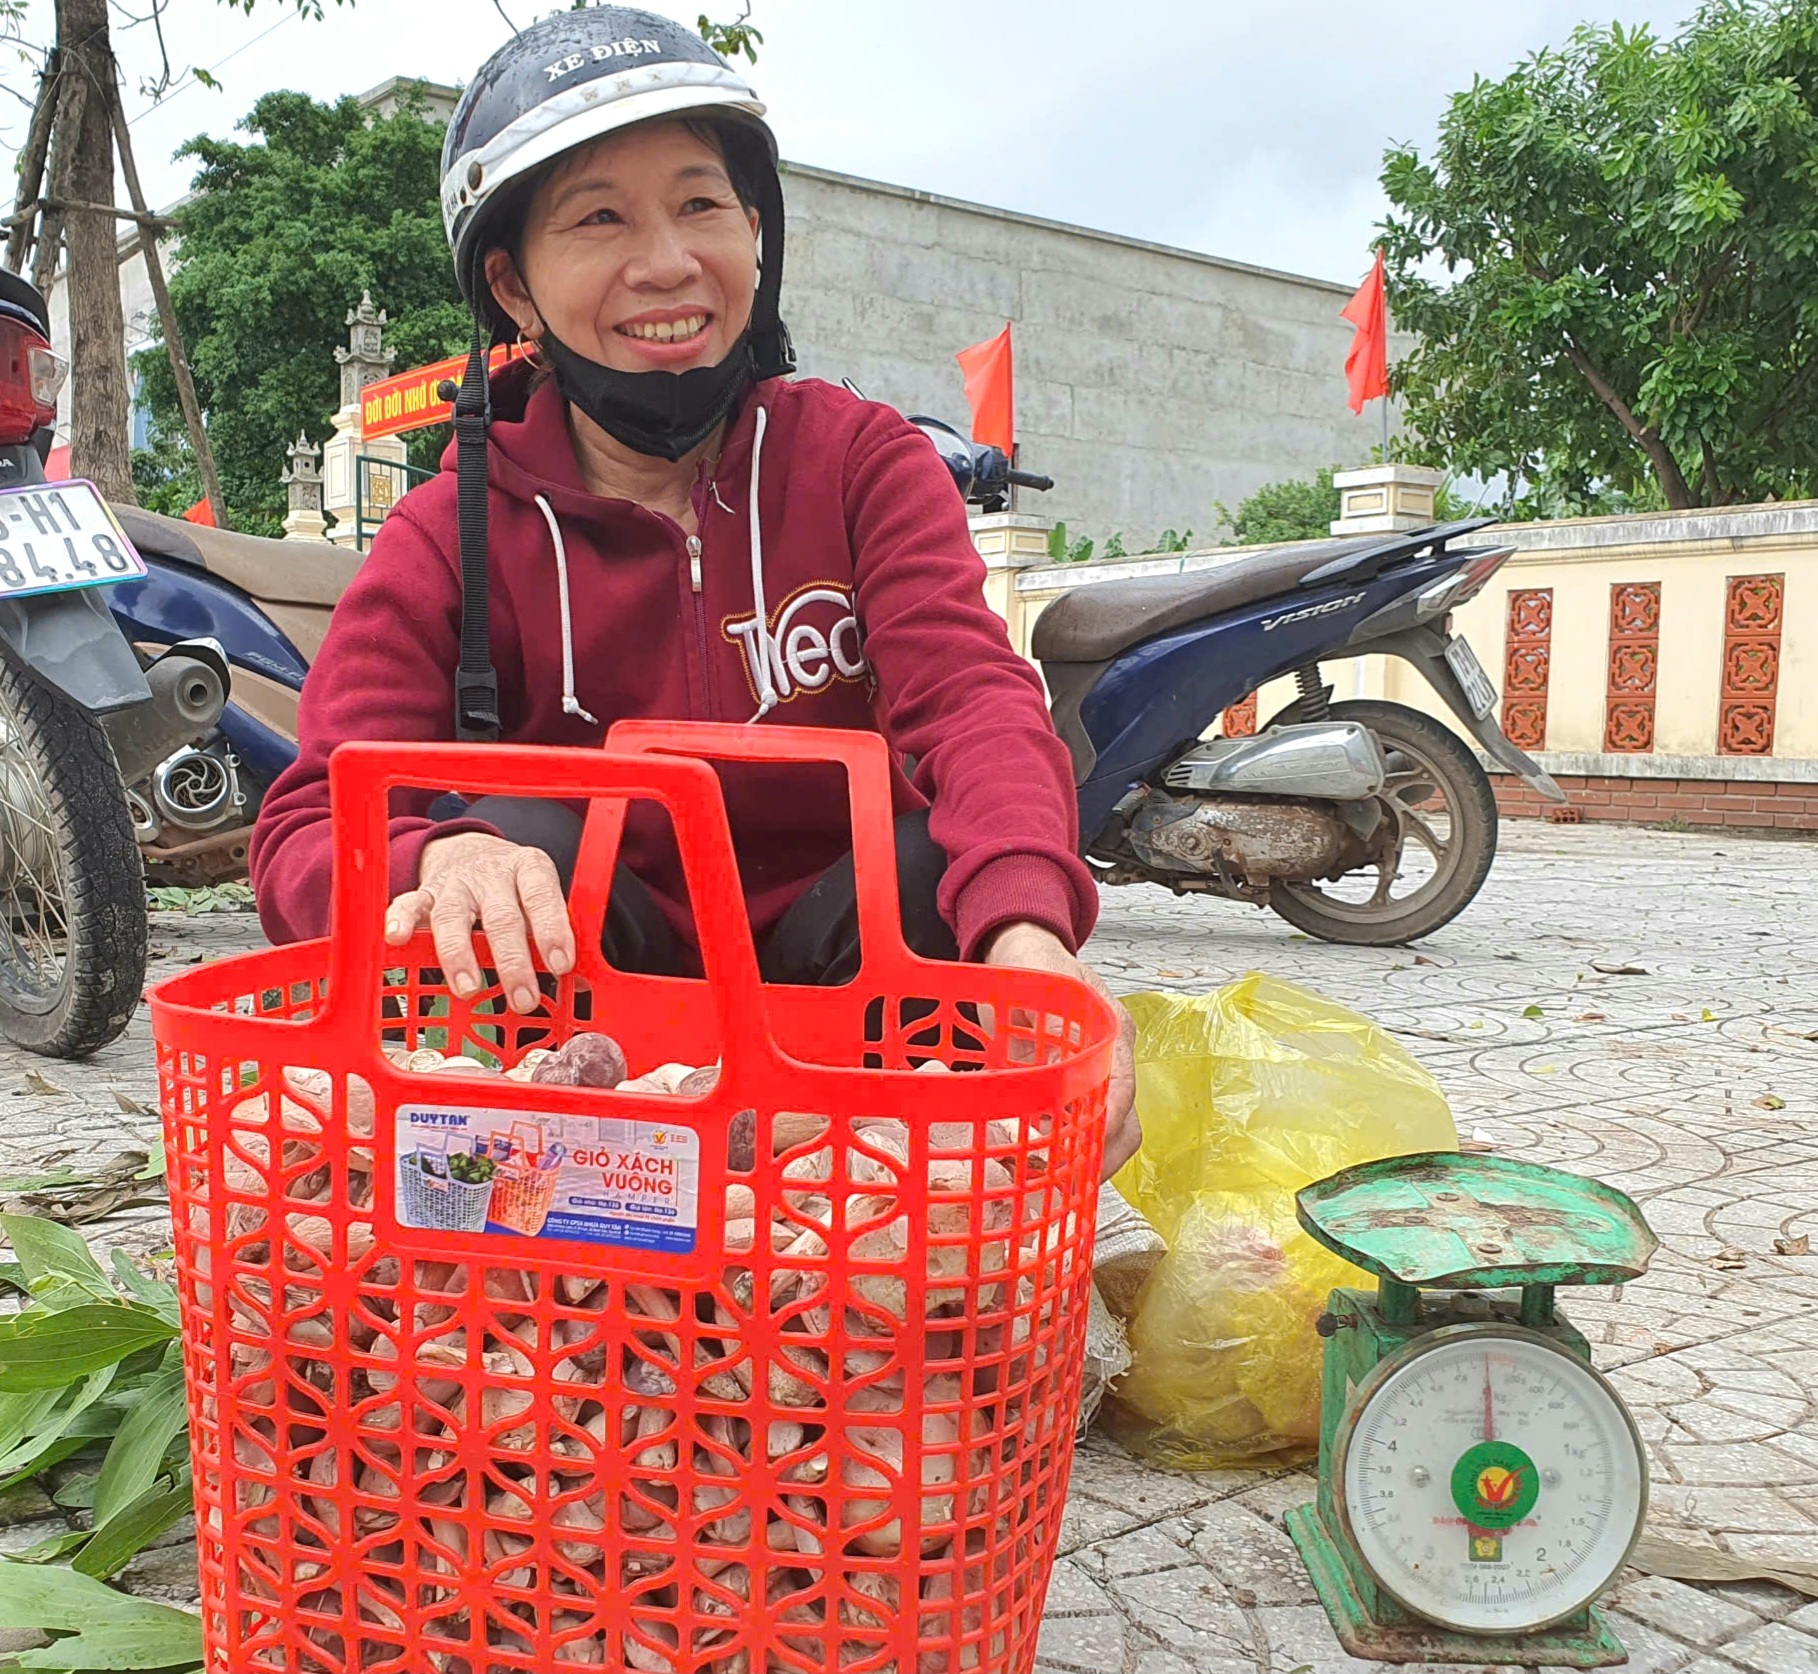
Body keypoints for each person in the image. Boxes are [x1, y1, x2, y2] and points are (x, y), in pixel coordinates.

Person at [248, 6, 1140, 1178]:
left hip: (854, 1023)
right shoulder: (446, 534)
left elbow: (974, 699)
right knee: (511, 839)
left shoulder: (859, 462)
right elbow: (307, 828)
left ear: (755, 235)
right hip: (589, 1045)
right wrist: (429, 861)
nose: (667, 261)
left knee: (941, 871)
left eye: (701, 204)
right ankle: (552, 1244)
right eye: (601, 217)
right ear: (515, 287)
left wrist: (1031, 931)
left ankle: (884, 1228)